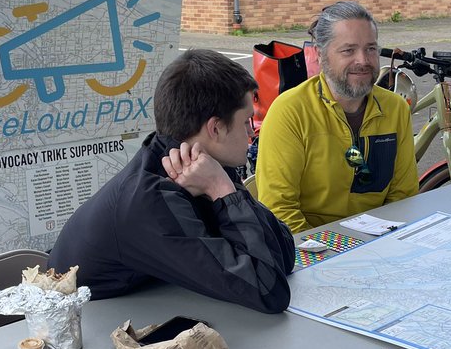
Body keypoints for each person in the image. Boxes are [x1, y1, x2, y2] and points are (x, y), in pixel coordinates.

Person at [47, 49, 294, 314]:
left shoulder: (203, 164)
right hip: (83, 327)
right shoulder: (151, 199)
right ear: (215, 128)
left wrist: (224, 186)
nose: (251, 132)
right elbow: (269, 290)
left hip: (143, 307)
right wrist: (223, 191)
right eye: (246, 121)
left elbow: (283, 254)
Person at [254, 1, 418, 233]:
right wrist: (330, 254)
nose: (362, 60)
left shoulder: (396, 109)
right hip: (310, 250)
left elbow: (403, 196)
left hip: (378, 244)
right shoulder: (290, 111)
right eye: (348, 50)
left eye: (370, 48)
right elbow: (279, 208)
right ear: (320, 55)